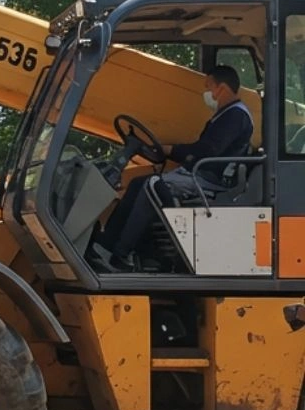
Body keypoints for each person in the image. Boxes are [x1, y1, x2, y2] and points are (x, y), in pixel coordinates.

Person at [90, 65, 254, 272]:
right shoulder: (226, 115)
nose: (206, 93)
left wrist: (171, 150)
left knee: (153, 186)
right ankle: (106, 245)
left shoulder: (236, 116)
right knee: (138, 183)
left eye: (208, 87)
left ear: (221, 88)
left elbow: (207, 150)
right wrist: (170, 151)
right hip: (199, 173)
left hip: (209, 179)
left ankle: (121, 255)